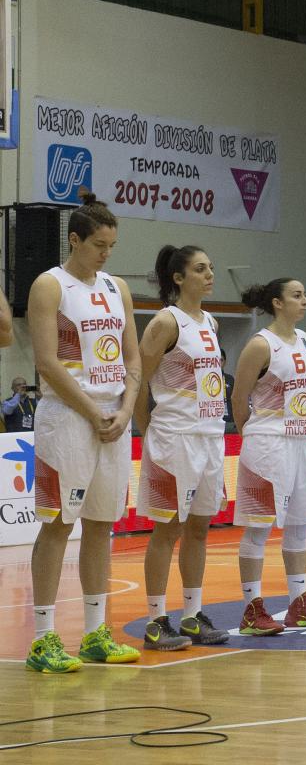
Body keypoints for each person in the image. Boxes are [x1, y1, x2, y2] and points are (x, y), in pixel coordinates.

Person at [27, 197, 144, 672]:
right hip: (68, 419)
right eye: (99, 245)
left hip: (114, 417)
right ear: (74, 239)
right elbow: (46, 362)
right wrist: (94, 411)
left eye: (112, 246)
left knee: (101, 524)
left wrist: (126, 409)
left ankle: (96, 633)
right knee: (58, 524)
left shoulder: (118, 288)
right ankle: (43, 638)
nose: (106, 253)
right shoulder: (49, 286)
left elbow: (133, 358)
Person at [229, 277, 306, 635]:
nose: (305, 300)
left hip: (303, 441)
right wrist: (256, 432)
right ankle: (252, 609)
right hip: (268, 443)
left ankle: (299, 603)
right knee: (259, 527)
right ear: (277, 303)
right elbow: (238, 399)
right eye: (297, 295)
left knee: (299, 524)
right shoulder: (260, 345)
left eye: (305, 293)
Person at [138, 246, 232, 650]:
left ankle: (192, 616)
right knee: (166, 530)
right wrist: (148, 433)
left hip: (210, 437)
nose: (209, 274)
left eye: (211, 267)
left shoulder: (209, 320)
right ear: (178, 278)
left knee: (199, 529)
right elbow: (136, 381)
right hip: (174, 438)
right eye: (200, 269)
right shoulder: (165, 321)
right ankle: (157, 619)